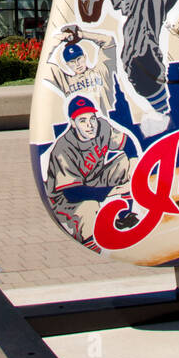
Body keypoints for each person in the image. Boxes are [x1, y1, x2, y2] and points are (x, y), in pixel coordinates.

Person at [43, 95, 136, 249]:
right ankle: (95, 243)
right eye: (82, 120)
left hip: (93, 179)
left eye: (92, 118)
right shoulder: (63, 149)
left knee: (124, 163)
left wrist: (133, 162)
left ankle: (125, 216)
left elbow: (128, 143)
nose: (90, 125)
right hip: (64, 199)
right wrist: (116, 190)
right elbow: (72, 192)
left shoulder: (102, 127)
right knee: (89, 206)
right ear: (73, 123)